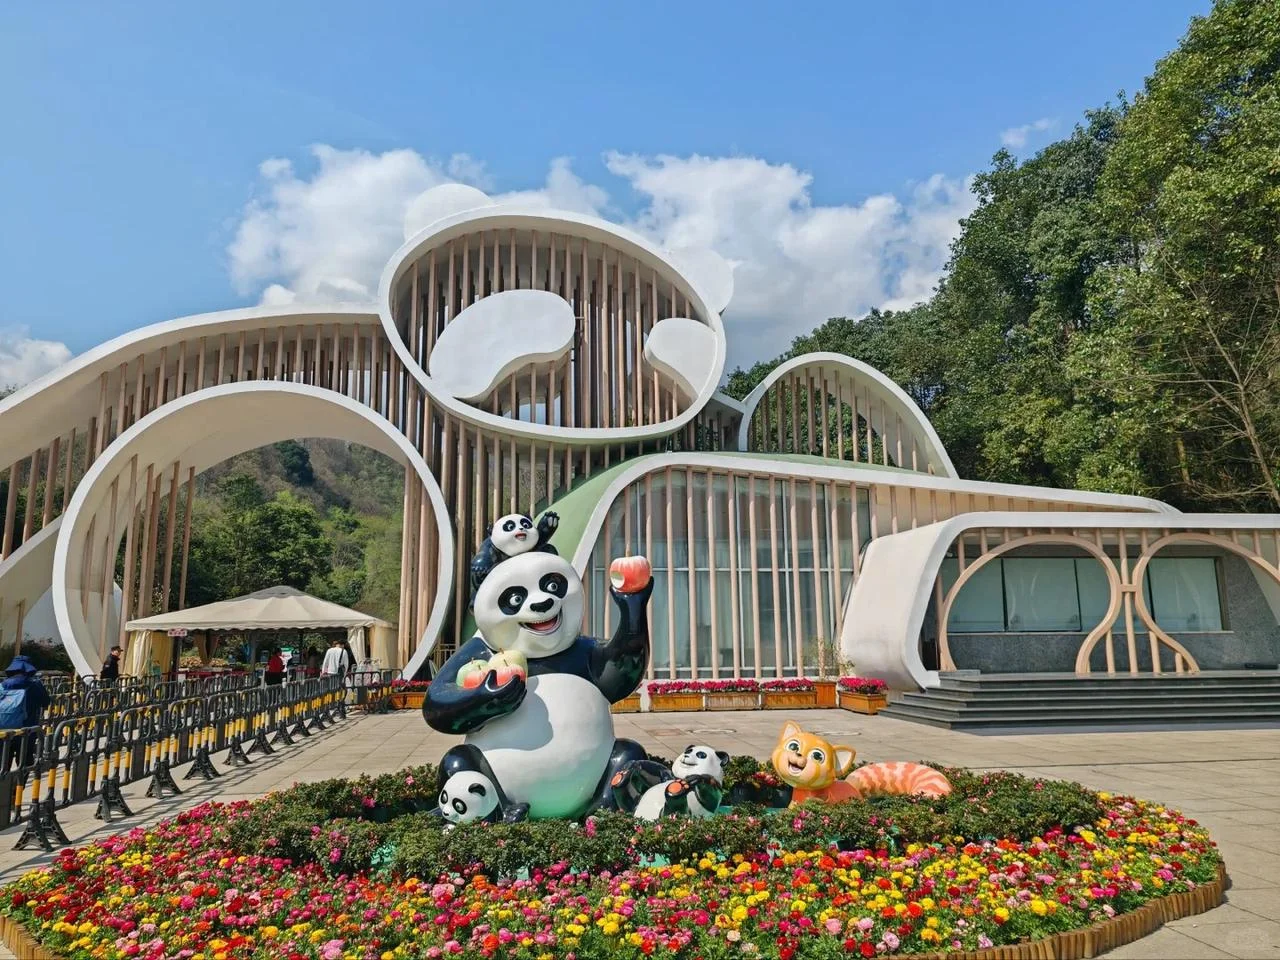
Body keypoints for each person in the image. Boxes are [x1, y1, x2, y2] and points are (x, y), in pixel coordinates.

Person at [0, 656, 51, 774]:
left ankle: (3, 784)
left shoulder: (2, 685)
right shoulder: (35, 685)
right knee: (24, 764)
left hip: (4, 731)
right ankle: (18, 785)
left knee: (3, 764)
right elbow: (46, 702)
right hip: (27, 731)